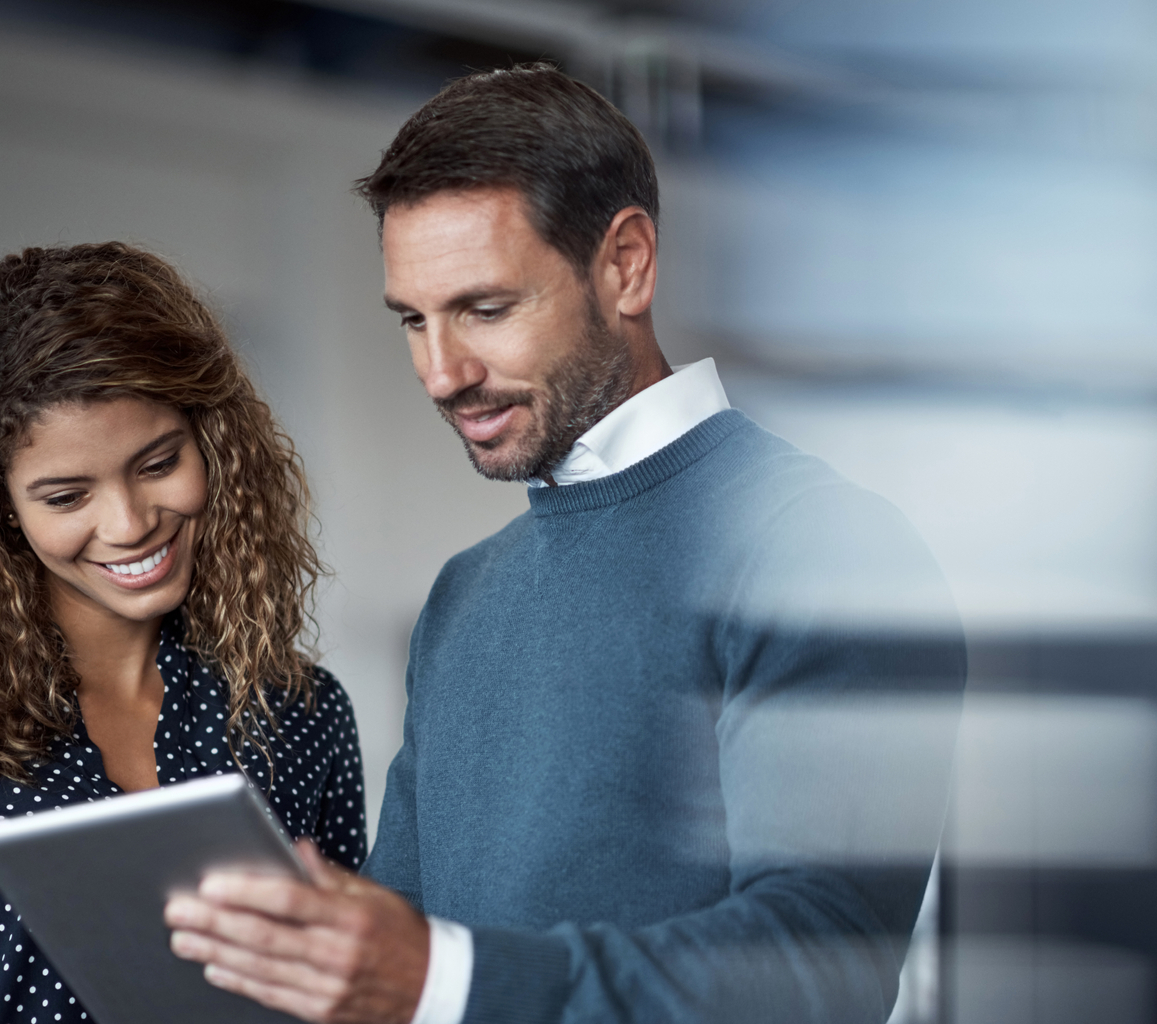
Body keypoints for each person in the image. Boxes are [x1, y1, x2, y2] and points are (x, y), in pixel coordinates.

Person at [164, 65, 966, 1024]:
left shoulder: (822, 548)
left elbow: (816, 969)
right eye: (414, 322)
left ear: (626, 264)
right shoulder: (464, 598)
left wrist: (443, 981)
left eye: (485, 310)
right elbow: (405, 936)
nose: (442, 373)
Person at [0, 242, 367, 1024]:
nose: (128, 524)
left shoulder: (301, 711)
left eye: (158, 463)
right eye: (65, 495)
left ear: (215, 442)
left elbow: (351, 996)